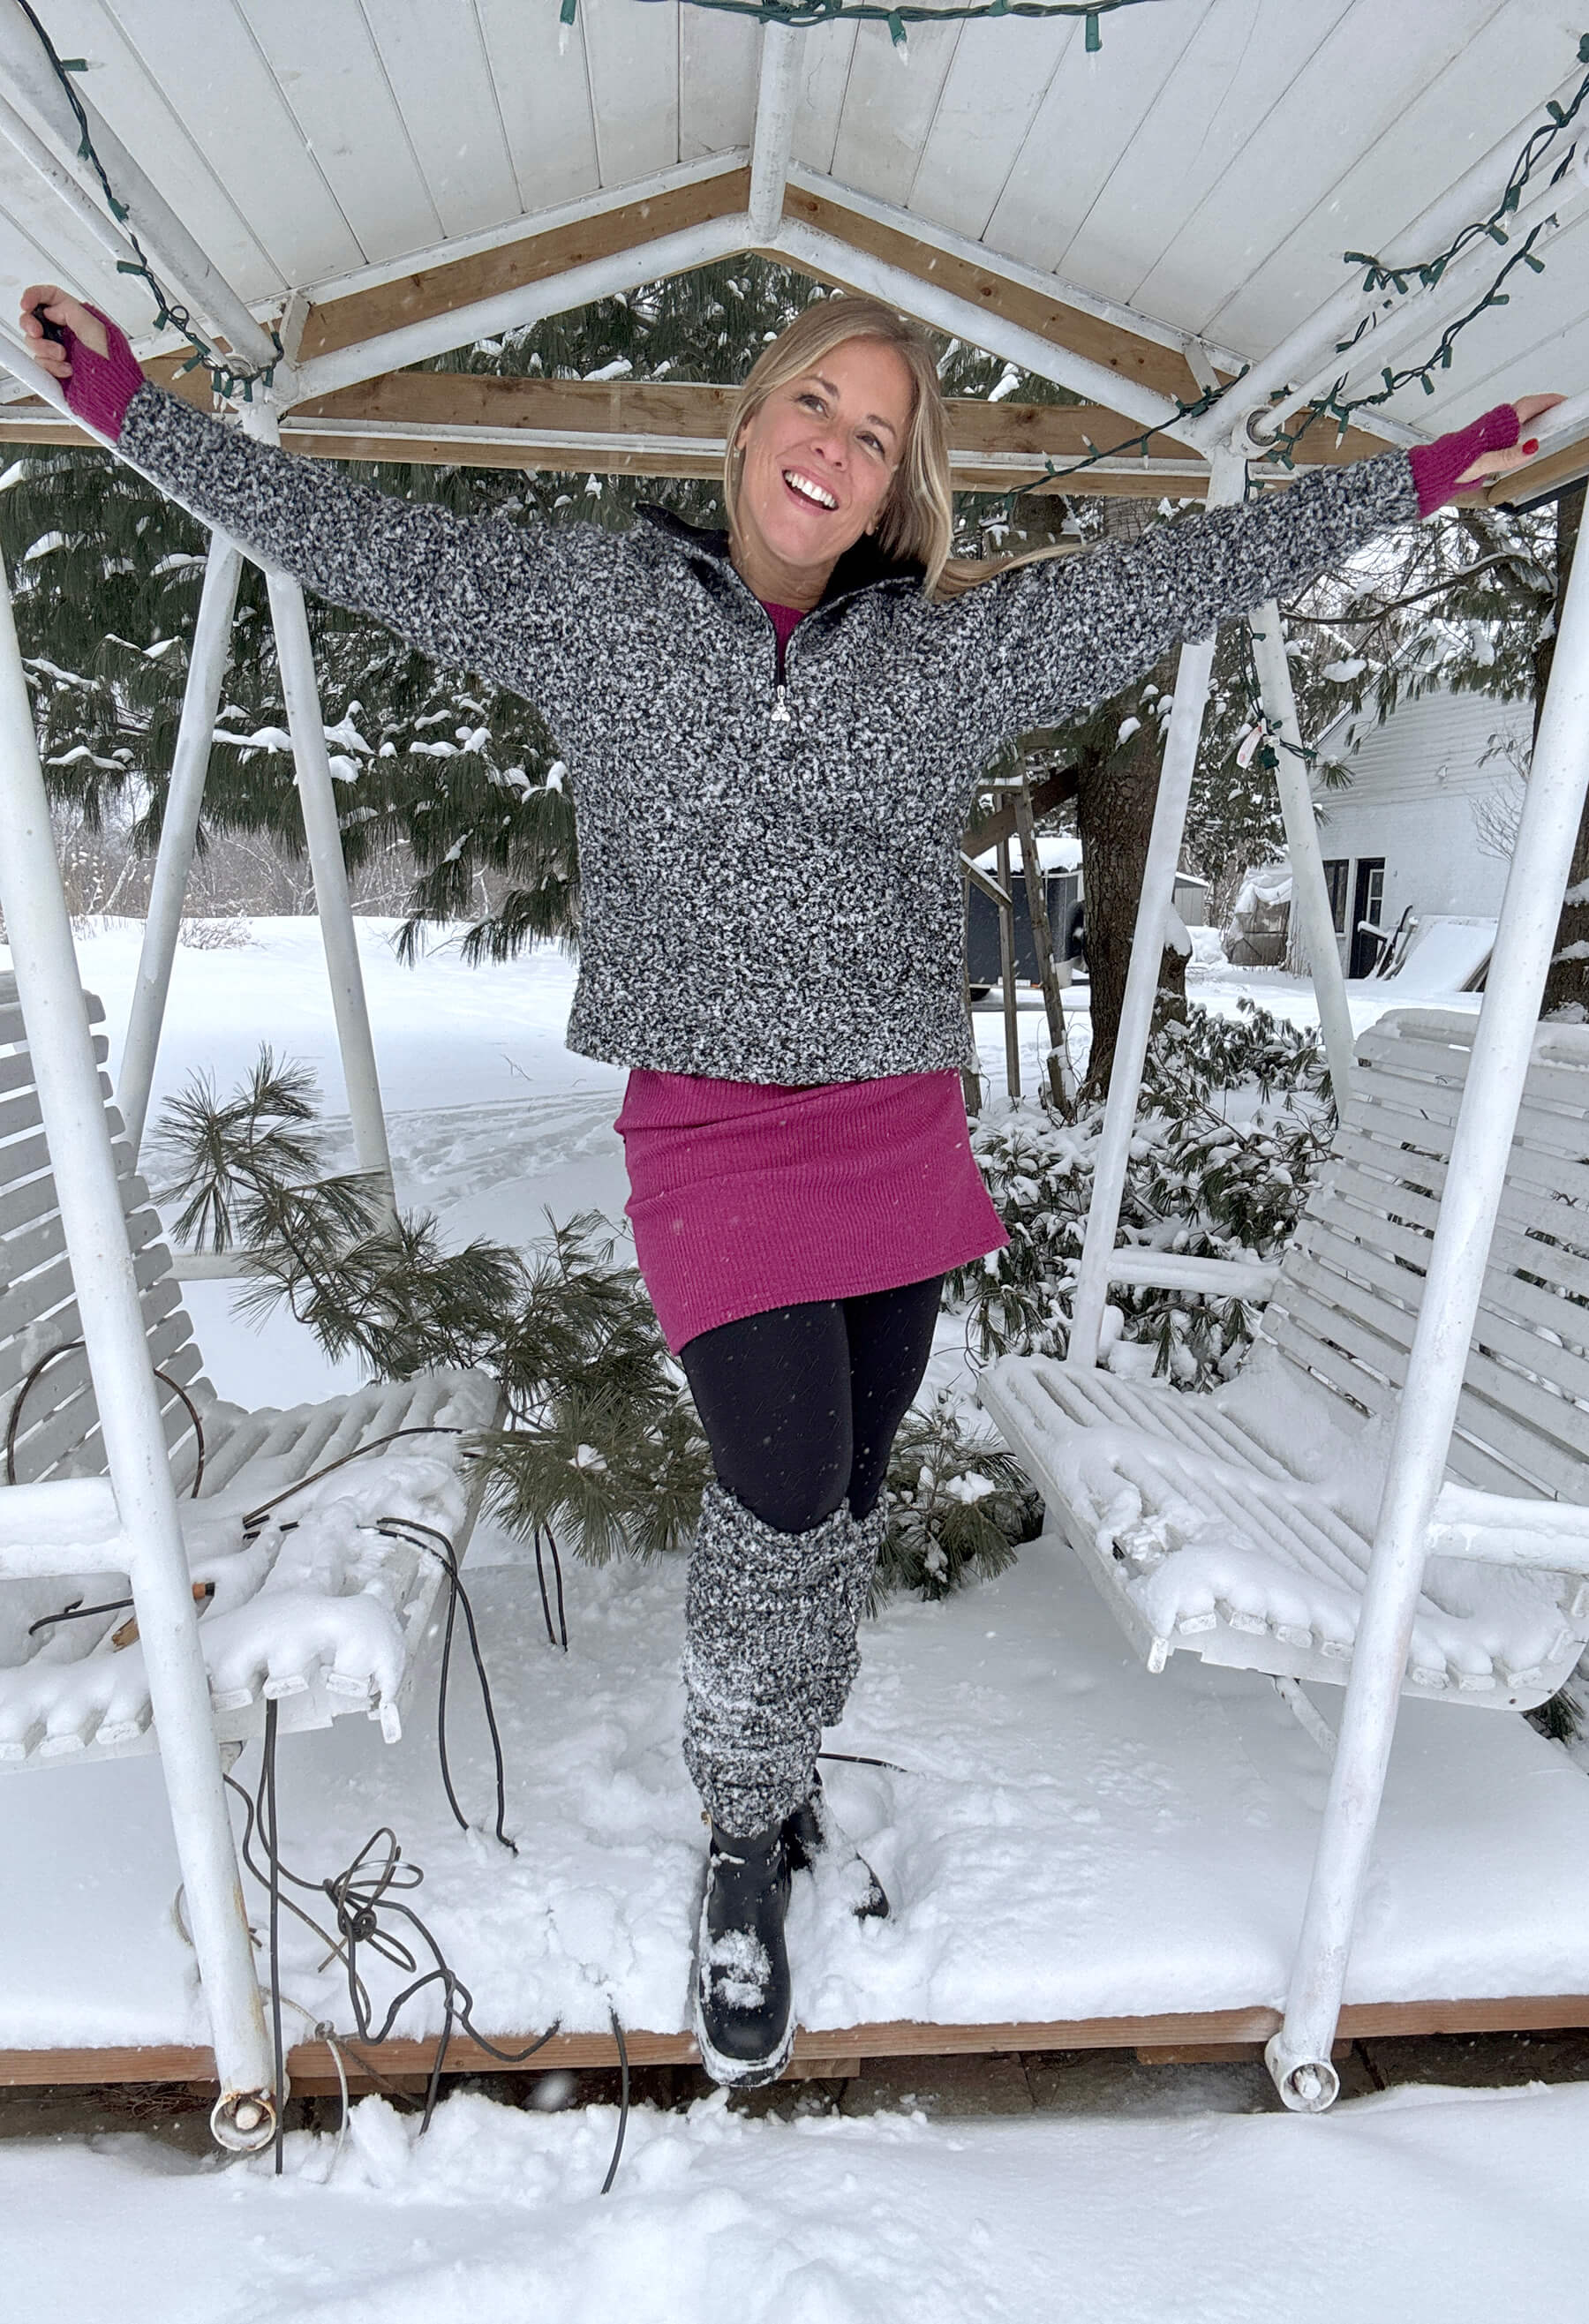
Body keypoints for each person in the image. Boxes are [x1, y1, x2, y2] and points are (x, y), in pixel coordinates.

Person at [19, 282, 1558, 2089]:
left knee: (839, 1496)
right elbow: (369, 545)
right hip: (713, 1141)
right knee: (774, 1480)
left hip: (892, 1138)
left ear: (898, 490)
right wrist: (137, 417)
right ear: (750, 428)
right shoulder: (606, 611)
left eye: (877, 434)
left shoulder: (942, 657)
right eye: (815, 405)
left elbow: (1176, 580)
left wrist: (1423, 479)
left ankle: (787, 1764)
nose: (834, 445)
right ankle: (743, 1845)